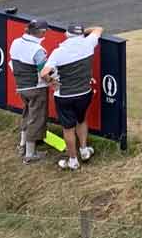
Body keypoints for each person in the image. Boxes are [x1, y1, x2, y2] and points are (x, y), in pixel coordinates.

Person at [43, 24, 104, 170]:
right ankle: (84, 150)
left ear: (66, 35)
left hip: (64, 95)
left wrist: (52, 83)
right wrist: (84, 32)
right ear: (81, 35)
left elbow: (44, 73)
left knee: (68, 128)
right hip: (84, 93)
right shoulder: (88, 43)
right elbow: (98, 29)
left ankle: (73, 160)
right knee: (81, 120)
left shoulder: (59, 52)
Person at [8, 20, 50, 163]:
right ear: (42, 32)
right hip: (36, 88)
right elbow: (44, 72)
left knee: (27, 115)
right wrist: (54, 82)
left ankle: (22, 145)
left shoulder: (15, 42)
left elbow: (12, 63)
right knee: (36, 119)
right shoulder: (37, 50)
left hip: (21, 88)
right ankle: (30, 154)